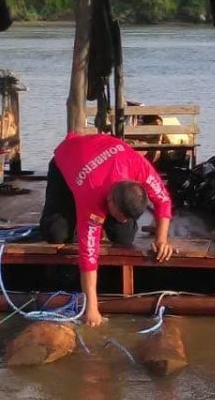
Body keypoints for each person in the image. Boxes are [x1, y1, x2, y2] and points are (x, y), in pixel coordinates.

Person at [40, 132, 174, 327]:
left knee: (124, 237)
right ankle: (65, 217)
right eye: (118, 215)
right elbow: (88, 254)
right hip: (67, 162)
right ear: (110, 200)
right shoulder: (92, 192)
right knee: (57, 234)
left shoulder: (140, 167)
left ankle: (103, 220)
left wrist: (161, 240)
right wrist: (92, 307)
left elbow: (163, 200)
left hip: (109, 158)